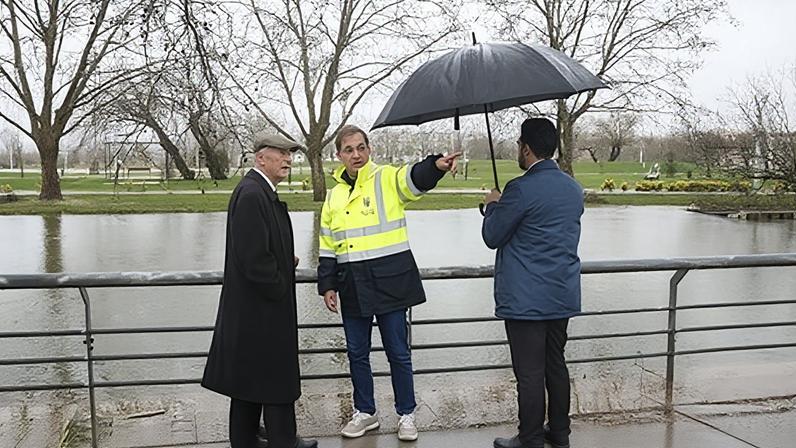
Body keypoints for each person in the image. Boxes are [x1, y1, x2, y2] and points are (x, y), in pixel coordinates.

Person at [317, 125, 459, 441]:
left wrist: (435, 166)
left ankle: (406, 414)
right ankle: (365, 413)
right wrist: (327, 284)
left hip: (389, 280)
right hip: (351, 283)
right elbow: (327, 244)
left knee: (398, 352)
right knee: (357, 353)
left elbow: (414, 178)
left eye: (361, 147)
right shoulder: (334, 195)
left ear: (369, 150)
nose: (356, 154)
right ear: (339, 155)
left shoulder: (386, 177)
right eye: (349, 150)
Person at [202, 133, 317, 448]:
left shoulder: (257, 191)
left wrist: (284, 258)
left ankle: (246, 440)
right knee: (274, 377)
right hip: (263, 310)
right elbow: (254, 260)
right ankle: (283, 441)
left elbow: (260, 248)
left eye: (290, 154)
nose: (288, 160)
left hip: (254, 311)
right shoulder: (254, 195)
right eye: (280, 153)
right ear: (260, 158)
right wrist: (279, 286)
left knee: (249, 382)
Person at [481, 118, 583, 448]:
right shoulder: (572, 187)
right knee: (556, 364)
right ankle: (560, 433)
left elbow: (493, 236)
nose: (517, 150)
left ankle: (530, 439)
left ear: (526, 148)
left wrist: (492, 204)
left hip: (527, 299)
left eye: (518, 145)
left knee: (529, 373)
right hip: (561, 293)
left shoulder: (520, 188)